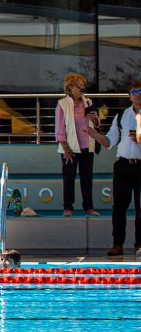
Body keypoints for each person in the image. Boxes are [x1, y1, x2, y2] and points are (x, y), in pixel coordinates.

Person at [87, 81, 141, 258]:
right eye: (135, 92)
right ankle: (117, 244)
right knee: (119, 207)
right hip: (123, 165)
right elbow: (110, 141)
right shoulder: (121, 116)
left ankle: (139, 244)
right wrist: (96, 135)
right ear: (129, 95)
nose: (138, 94)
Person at [56, 73, 100, 217]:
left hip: (88, 145)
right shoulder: (62, 103)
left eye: (83, 86)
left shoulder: (88, 102)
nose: (82, 88)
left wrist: (96, 120)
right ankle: (68, 207)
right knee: (68, 178)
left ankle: (88, 207)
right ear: (71, 87)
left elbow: (97, 125)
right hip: (70, 148)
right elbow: (59, 128)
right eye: (79, 86)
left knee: (87, 178)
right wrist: (65, 148)